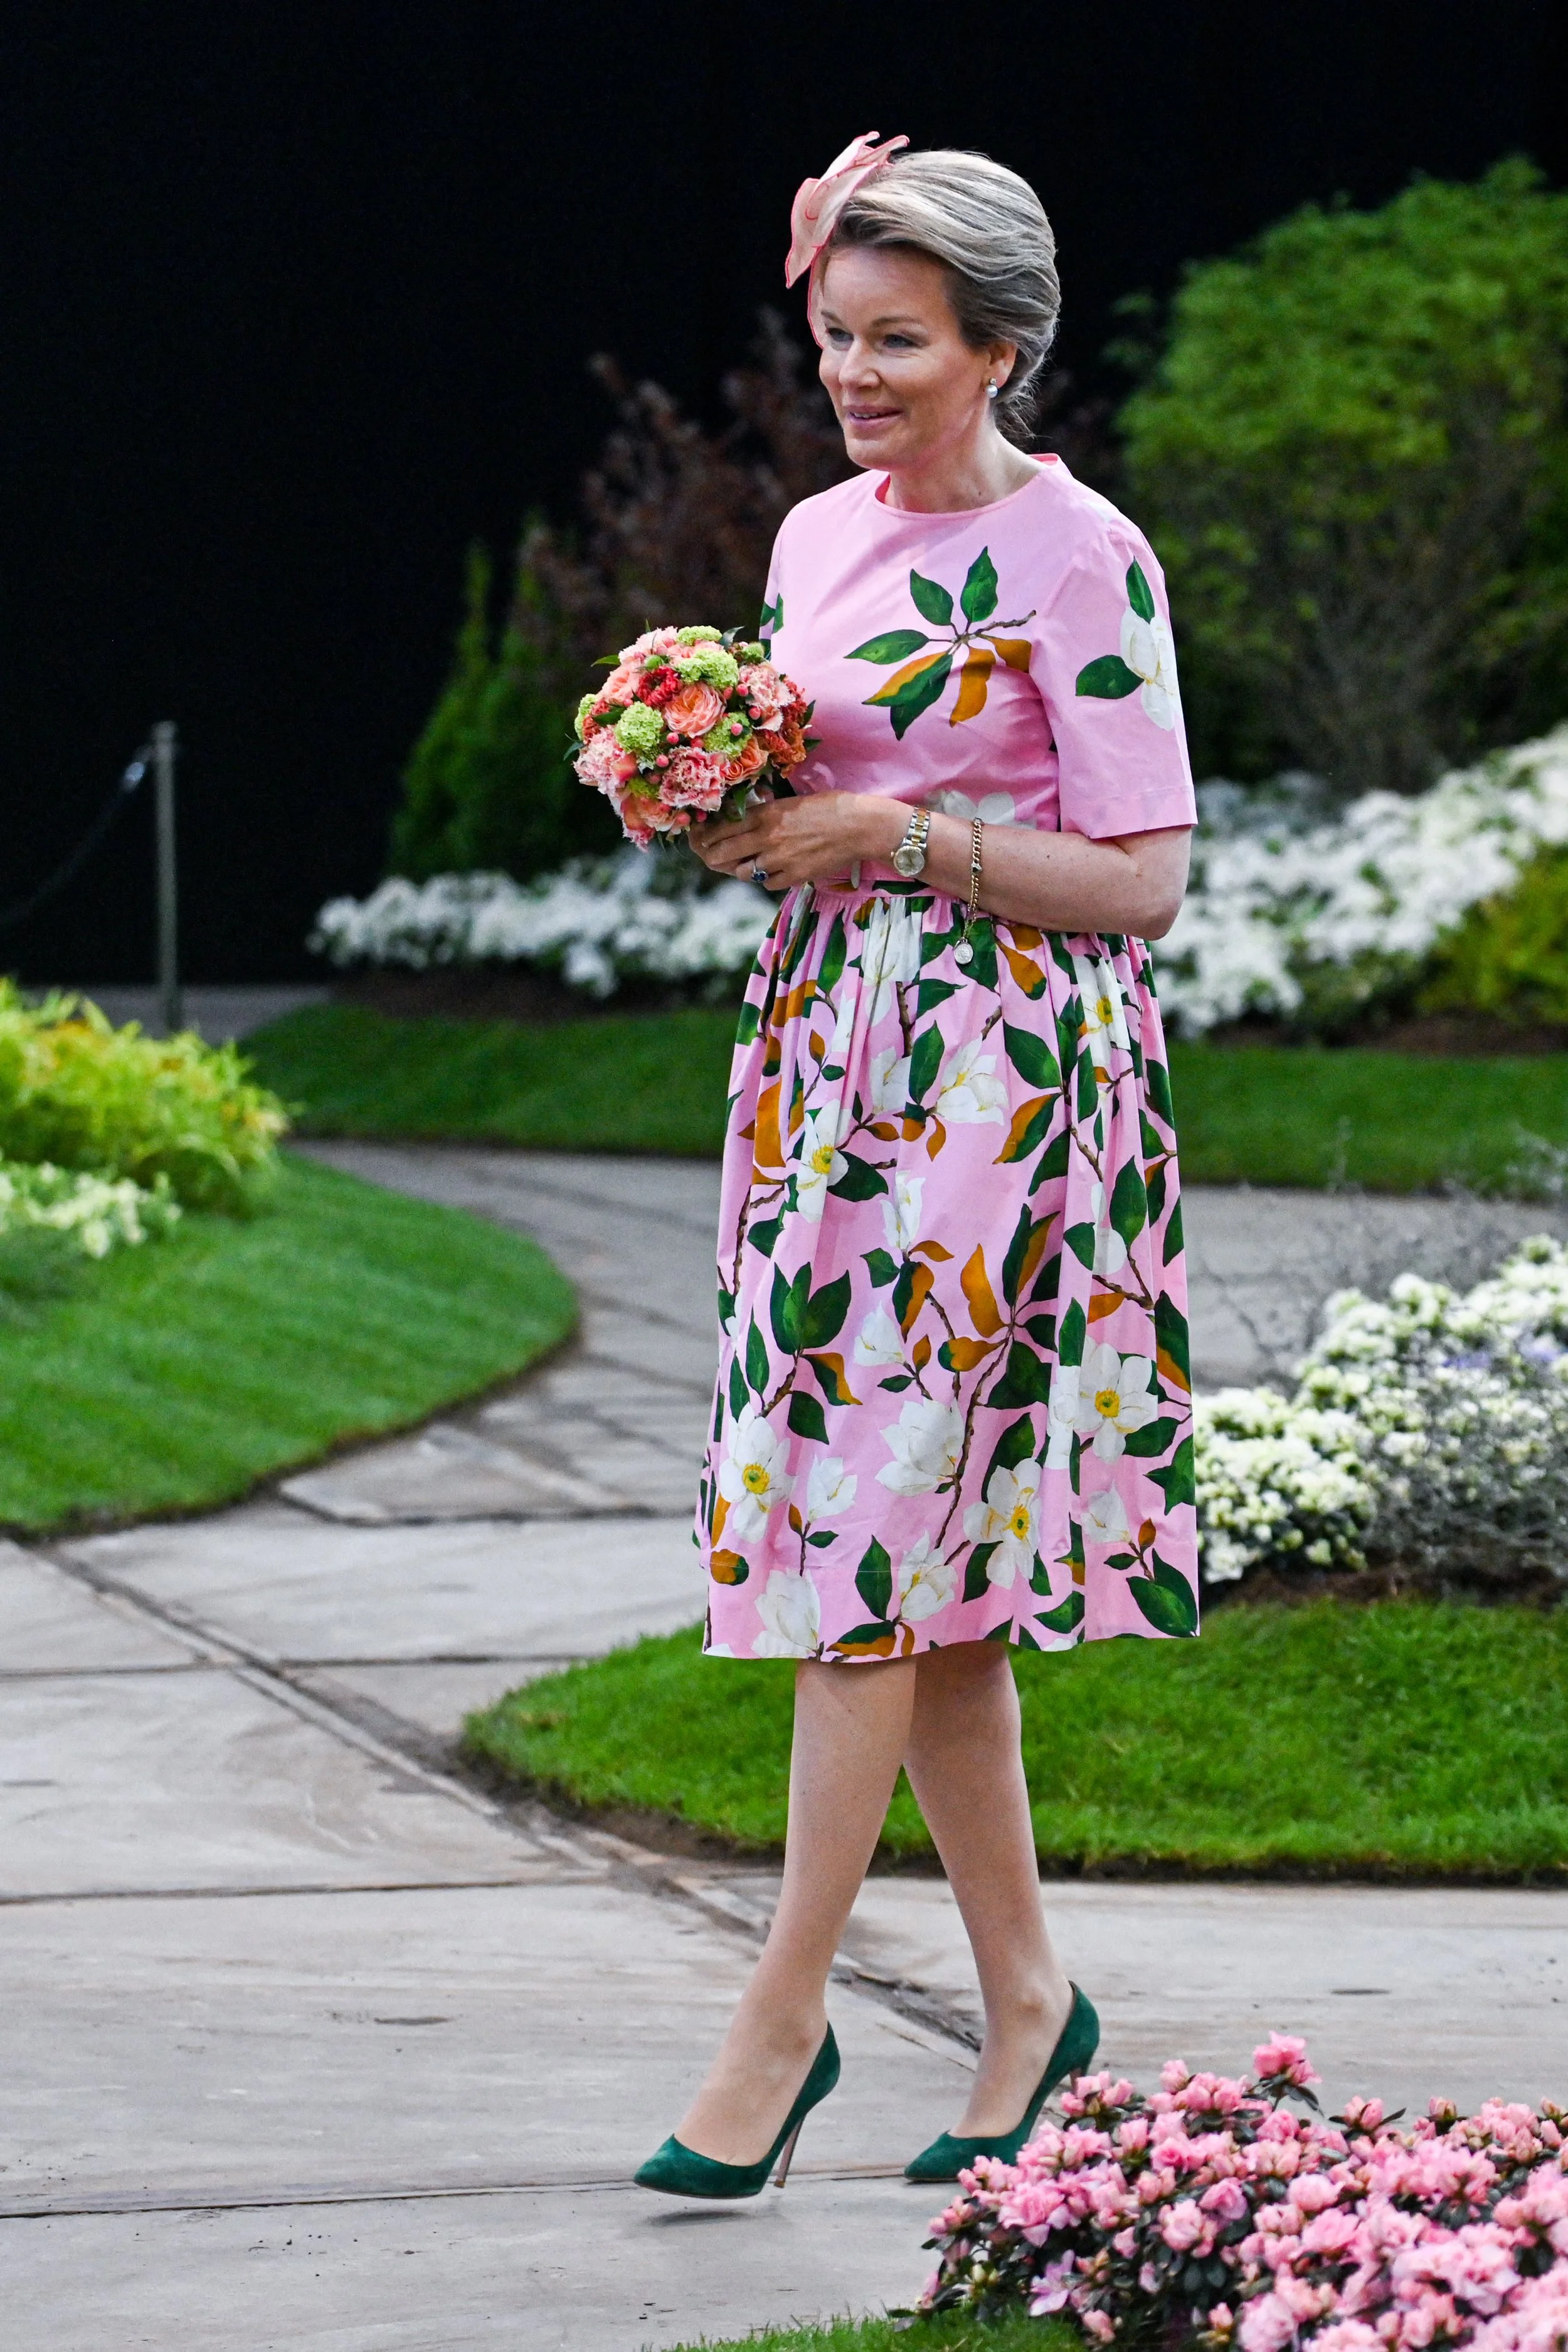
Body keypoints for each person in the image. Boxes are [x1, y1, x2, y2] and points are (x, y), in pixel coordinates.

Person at [635, 135, 1198, 2201]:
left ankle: (778, 2020)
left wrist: (891, 844)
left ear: (999, 347)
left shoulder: (1083, 560)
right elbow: (818, 775)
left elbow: (1142, 887)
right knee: (922, 1576)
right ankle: (1029, 2003)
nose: (853, 375)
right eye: (833, 337)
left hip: (1003, 1093)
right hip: (822, 1074)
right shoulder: (806, 539)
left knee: (864, 1547)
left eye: (896, 341)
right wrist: (718, 803)